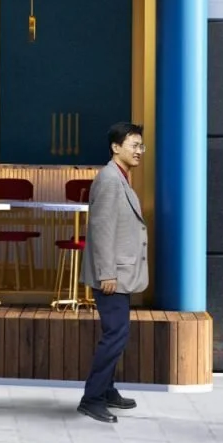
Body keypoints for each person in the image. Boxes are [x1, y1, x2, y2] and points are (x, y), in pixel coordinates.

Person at [78, 122, 148, 423]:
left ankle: (106, 390)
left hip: (120, 272)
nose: (139, 151)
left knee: (117, 333)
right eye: (134, 144)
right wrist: (107, 273)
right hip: (113, 275)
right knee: (115, 335)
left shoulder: (120, 177)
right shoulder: (109, 180)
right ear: (115, 147)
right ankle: (92, 398)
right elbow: (102, 229)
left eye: (141, 145)